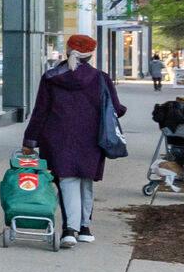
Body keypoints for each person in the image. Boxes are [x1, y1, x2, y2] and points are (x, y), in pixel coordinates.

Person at [23, 34, 125, 248]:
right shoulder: (101, 78)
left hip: (58, 137)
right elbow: (117, 109)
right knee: (85, 180)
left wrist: (30, 140)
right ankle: (84, 228)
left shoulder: (51, 77)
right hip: (92, 138)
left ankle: (69, 230)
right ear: (90, 55)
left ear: (68, 51)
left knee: (67, 180)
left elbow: (41, 111)